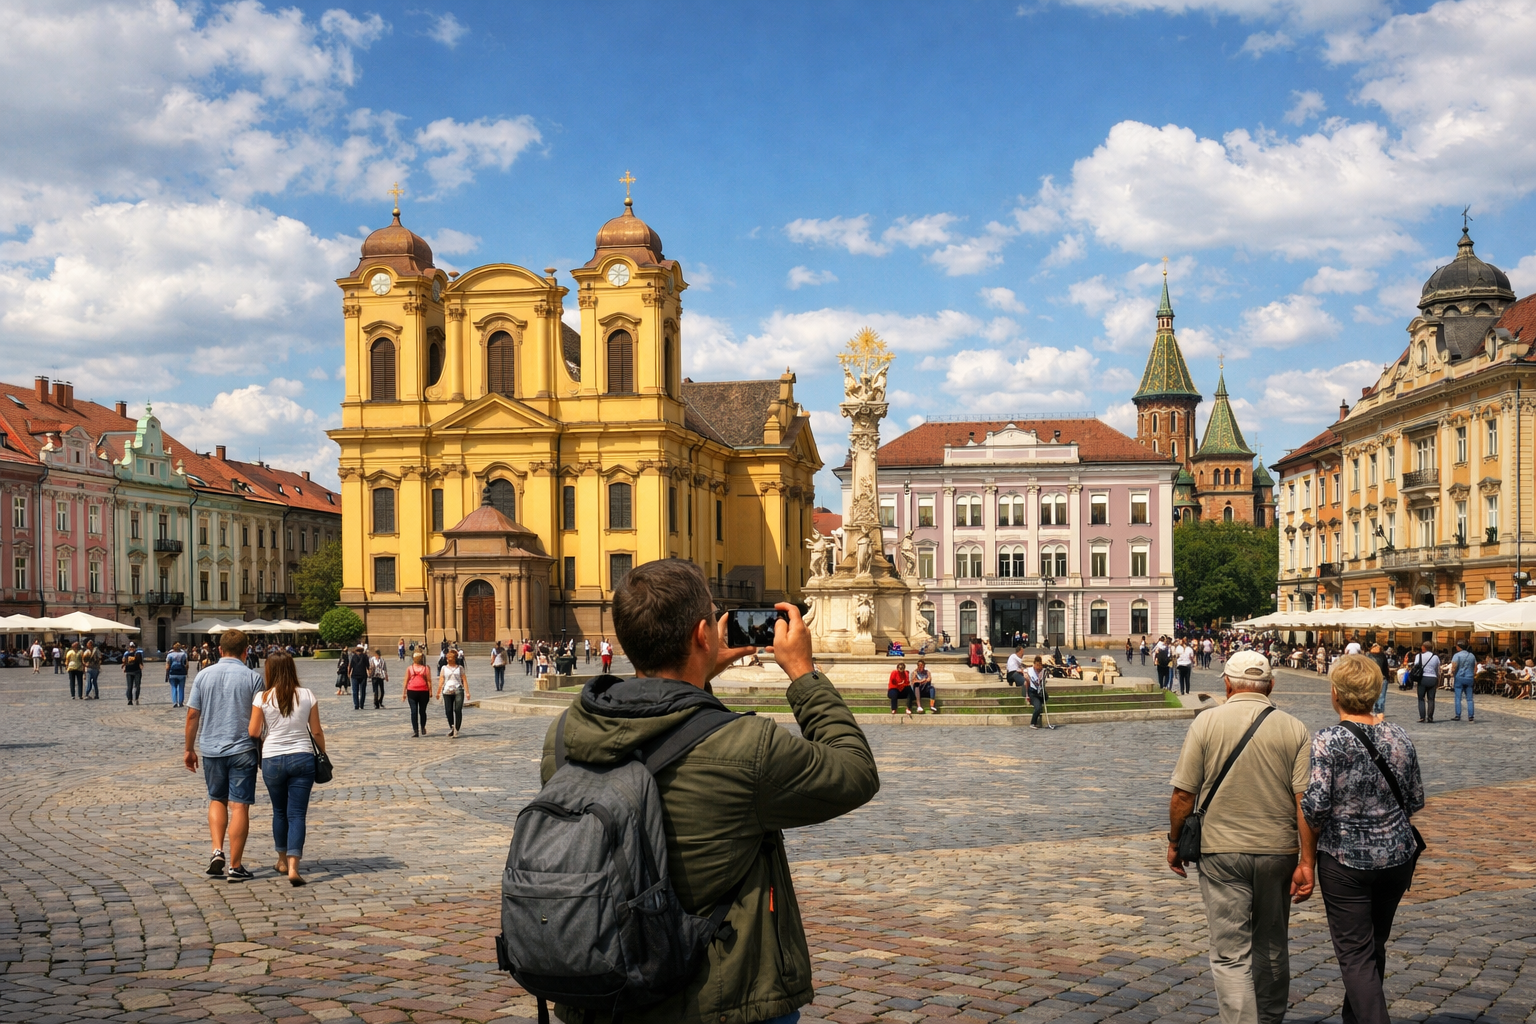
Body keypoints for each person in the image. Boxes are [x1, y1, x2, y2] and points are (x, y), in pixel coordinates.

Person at [536, 557, 878, 1024]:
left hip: (603, 990)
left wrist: (697, 673)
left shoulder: (564, 737)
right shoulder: (746, 746)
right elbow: (854, 771)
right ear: (703, 634)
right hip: (721, 1000)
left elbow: (655, 725)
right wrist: (803, 673)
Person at [1167, 649, 1313, 1024]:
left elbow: (1183, 794)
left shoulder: (1206, 722)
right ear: (1271, 685)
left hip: (1221, 850)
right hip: (1278, 850)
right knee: (1272, 946)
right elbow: (1305, 802)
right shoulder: (1294, 727)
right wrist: (1307, 861)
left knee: (1231, 953)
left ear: (1228, 685)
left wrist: (1174, 841)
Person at [1300, 654, 1424, 1024]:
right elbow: (1415, 798)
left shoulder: (1328, 740)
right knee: (1373, 946)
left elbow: (1317, 806)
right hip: (1397, 857)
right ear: (1375, 693)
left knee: (1355, 954)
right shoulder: (1399, 735)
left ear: (1335, 694)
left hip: (1345, 860)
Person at [184, 629, 264, 883]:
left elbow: (192, 715)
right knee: (239, 805)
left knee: (216, 799)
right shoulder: (253, 678)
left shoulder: (203, 676)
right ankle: (235, 866)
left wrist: (189, 749)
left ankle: (216, 850)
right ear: (246, 651)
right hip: (242, 748)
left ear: (219, 650)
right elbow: (258, 721)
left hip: (211, 749)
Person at [248, 652, 324, 886]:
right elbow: (317, 731)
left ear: (269, 670)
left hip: (272, 758)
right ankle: (293, 867)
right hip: (302, 757)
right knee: (297, 814)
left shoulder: (262, 697)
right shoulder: (307, 695)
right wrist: (322, 752)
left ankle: (281, 860)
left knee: (279, 811)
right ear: (292, 668)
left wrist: (268, 735)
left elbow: (253, 731)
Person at [435, 647, 469, 737]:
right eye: (448, 658)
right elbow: (441, 680)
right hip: (446, 690)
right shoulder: (444, 668)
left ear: (454, 659)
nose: (448, 660)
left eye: (450, 658)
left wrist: (467, 692)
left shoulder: (460, 668)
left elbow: (464, 680)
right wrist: (438, 692)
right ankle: (452, 727)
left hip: (458, 689)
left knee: (457, 710)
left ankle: (457, 729)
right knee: (448, 710)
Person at [1409, 641, 1440, 723]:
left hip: (1422, 678)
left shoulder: (1418, 656)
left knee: (1421, 698)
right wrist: (1437, 678)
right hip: (1433, 678)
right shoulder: (1435, 657)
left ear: (1423, 647)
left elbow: (1416, 665)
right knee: (1431, 699)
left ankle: (1422, 717)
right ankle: (1430, 717)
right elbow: (1438, 669)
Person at [403, 651, 432, 736]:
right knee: (415, 711)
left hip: (422, 691)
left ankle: (422, 727)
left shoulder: (426, 668)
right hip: (413, 691)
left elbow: (429, 680)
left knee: (421, 711)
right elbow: (406, 680)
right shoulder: (410, 668)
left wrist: (430, 691)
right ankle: (416, 730)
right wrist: (404, 693)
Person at [1450, 640, 1476, 723]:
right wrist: (1472, 675)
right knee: (1469, 699)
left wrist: (1453, 674)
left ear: (1459, 646)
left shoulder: (1456, 655)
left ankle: (1458, 715)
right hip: (1469, 678)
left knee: (1458, 698)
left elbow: (1454, 666)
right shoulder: (1472, 656)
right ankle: (1471, 716)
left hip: (1459, 678)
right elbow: (1475, 667)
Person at [1026, 655, 1052, 729]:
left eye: (1039, 665)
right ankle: (1032, 723)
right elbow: (1026, 683)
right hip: (1033, 692)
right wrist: (1027, 695)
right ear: (1034, 664)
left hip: (1040, 692)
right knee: (1038, 708)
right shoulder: (1029, 671)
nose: (1038, 667)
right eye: (1037, 665)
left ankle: (1039, 704)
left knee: (1045, 698)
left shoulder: (1043, 671)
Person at [1368, 643, 1391, 721]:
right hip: (1382, 678)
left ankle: (1373, 711)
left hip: (1371, 678)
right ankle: (1379, 713)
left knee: (1372, 695)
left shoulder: (1368, 656)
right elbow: (1386, 668)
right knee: (1381, 696)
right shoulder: (1382, 656)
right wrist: (1387, 677)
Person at [166, 642, 190, 708]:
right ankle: (180, 702)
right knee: (181, 688)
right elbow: (186, 664)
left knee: (174, 687)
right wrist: (187, 672)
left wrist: (167, 673)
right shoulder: (184, 654)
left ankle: (174, 702)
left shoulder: (170, 655)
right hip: (182, 673)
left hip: (173, 672)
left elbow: (167, 666)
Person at [348, 643, 369, 711]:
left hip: (356, 675)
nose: (359, 652)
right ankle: (360, 705)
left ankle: (357, 705)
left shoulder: (354, 656)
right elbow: (368, 667)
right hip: (361, 675)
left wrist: (348, 673)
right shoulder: (364, 656)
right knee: (361, 691)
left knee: (356, 691)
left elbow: (350, 666)